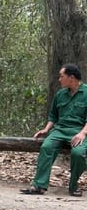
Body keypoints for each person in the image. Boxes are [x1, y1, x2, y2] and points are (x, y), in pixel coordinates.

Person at [21, 63, 87, 197]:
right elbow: (53, 115)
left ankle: (73, 185)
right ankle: (39, 185)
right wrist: (46, 129)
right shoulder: (60, 94)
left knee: (78, 153)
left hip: (79, 131)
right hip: (60, 130)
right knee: (46, 147)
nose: (59, 79)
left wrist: (82, 133)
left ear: (71, 78)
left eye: (61, 76)